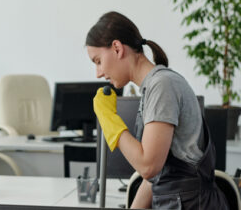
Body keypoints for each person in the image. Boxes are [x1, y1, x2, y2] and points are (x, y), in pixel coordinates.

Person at [86, 11, 227, 209]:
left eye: (98, 61)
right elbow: (155, 179)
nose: (98, 73)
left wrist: (109, 119)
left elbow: (148, 166)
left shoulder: (162, 85)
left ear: (117, 48)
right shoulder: (152, 88)